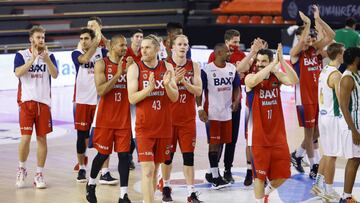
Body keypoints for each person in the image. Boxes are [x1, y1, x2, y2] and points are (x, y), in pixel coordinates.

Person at [127, 34, 178, 203]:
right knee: (147, 170)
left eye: (147, 47)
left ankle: (148, 199)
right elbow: (132, 98)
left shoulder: (168, 66)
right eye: (142, 47)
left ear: (157, 49)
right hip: (144, 128)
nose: (143, 50)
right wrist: (148, 89)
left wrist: (166, 85)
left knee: (155, 170)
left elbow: (174, 97)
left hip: (163, 126)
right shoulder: (135, 68)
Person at [245, 44, 298, 203]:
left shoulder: (276, 77)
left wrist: (281, 61)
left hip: (277, 135)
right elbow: (255, 79)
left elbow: (294, 80)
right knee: (259, 177)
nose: (259, 63)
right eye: (258, 61)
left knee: (284, 175)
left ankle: (267, 193)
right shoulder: (250, 78)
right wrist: (272, 65)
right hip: (258, 136)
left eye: (264, 61)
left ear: (269, 62)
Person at [290, 5, 335, 179]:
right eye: (307, 36)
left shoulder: (316, 52)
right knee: (309, 134)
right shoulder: (295, 54)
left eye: (311, 36)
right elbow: (301, 44)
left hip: (318, 98)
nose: (310, 39)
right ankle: (313, 166)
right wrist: (307, 24)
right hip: (304, 99)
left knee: (317, 132)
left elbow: (331, 36)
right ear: (300, 37)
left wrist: (317, 19)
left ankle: (297, 154)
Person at [86, 35, 132, 203]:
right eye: (121, 45)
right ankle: (91, 185)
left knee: (124, 156)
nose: (125, 48)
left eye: (126, 45)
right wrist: (118, 74)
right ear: (112, 47)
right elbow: (101, 90)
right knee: (102, 154)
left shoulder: (130, 64)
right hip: (105, 120)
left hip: (124, 119)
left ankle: (123, 195)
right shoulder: (101, 64)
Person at [159, 35, 203, 203]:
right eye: (180, 44)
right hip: (168, 120)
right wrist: (175, 82)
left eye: (185, 44)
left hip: (187, 121)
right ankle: (166, 187)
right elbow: (163, 91)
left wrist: (184, 82)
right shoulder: (165, 65)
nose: (183, 47)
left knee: (188, 157)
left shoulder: (194, 66)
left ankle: (191, 193)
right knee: (167, 157)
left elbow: (198, 91)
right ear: (173, 48)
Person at [14, 25, 58, 189]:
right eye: (38, 37)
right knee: (25, 138)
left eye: (43, 38)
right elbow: (18, 73)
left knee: (42, 139)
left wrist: (45, 59)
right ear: (31, 39)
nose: (41, 40)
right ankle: (21, 168)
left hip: (44, 103)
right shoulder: (21, 55)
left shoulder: (50, 56)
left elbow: (55, 74)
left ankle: (39, 174)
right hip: (26, 102)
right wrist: (32, 59)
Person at [196, 43, 240, 189]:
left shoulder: (232, 68)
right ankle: (215, 178)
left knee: (221, 142)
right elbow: (199, 92)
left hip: (226, 113)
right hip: (212, 114)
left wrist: (236, 100)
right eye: (227, 52)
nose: (230, 54)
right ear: (219, 53)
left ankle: (210, 172)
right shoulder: (207, 70)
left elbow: (237, 88)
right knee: (213, 144)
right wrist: (200, 108)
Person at [207, 29, 247, 184]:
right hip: (218, 106)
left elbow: (242, 79)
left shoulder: (241, 55)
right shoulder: (215, 54)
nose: (236, 45)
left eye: (238, 42)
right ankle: (214, 171)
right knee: (217, 140)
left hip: (234, 105)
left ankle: (227, 170)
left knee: (232, 139)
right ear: (226, 41)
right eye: (234, 42)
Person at [71, 28, 107, 183]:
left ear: (93, 39)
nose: (83, 41)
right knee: (82, 136)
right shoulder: (75, 53)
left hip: (101, 101)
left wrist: (101, 40)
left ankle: (104, 171)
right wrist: (95, 45)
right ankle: (82, 168)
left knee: (105, 137)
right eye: (81, 38)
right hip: (83, 101)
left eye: (86, 38)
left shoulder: (104, 53)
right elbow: (85, 59)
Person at [311, 43, 344, 202]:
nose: (344, 55)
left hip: (323, 116)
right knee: (332, 156)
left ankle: (317, 184)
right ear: (338, 55)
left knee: (327, 153)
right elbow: (341, 99)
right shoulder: (336, 75)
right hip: (332, 118)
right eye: (343, 53)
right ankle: (329, 191)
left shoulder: (324, 70)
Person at [339, 47, 360, 203]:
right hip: (354, 126)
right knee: (353, 160)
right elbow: (343, 107)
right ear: (355, 59)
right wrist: (354, 131)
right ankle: (345, 197)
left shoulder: (356, 74)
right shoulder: (347, 78)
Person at [124, 28, 144, 170]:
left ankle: (134, 155)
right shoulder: (126, 53)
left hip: (141, 93)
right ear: (132, 38)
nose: (139, 39)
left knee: (136, 127)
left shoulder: (145, 53)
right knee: (127, 128)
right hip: (127, 93)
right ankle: (127, 156)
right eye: (137, 36)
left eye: (141, 36)